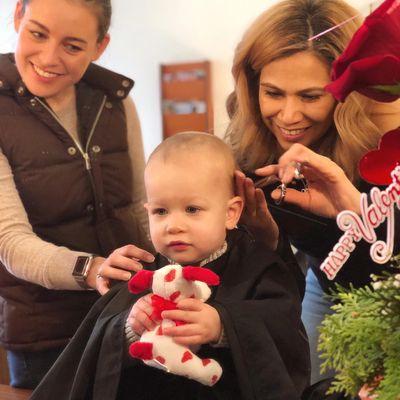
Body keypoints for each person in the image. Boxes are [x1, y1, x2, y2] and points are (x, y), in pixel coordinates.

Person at [30, 132, 310, 400]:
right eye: (161, 211)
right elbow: (96, 358)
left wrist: (223, 326)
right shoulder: (139, 274)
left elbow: (284, 329)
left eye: (192, 209)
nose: (174, 225)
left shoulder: (257, 268)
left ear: (230, 212)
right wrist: (129, 328)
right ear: (147, 211)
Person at [225, 0, 400, 385]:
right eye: (273, 93)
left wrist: (352, 211)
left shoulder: (386, 145)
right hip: (323, 282)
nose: (288, 116)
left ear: (346, 93)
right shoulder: (249, 142)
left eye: (310, 96)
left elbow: (392, 265)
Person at [0, 0, 153, 389]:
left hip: (128, 316)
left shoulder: (115, 100)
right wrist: (91, 269)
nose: (48, 58)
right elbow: (11, 242)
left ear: (99, 46)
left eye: (72, 46)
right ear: (18, 16)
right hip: (45, 337)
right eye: (37, 33)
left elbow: (136, 208)